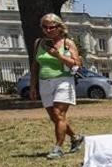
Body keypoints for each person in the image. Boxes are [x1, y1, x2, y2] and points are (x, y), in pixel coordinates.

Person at [30, 13, 84, 159]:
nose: (48, 30)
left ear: (59, 27)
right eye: (45, 27)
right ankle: (75, 137)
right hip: (44, 82)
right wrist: (33, 85)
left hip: (63, 81)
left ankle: (58, 148)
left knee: (59, 113)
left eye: (51, 27)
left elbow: (77, 64)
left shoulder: (68, 43)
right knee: (55, 117)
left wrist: (58, 56)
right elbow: (35, 65)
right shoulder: (38, 43)